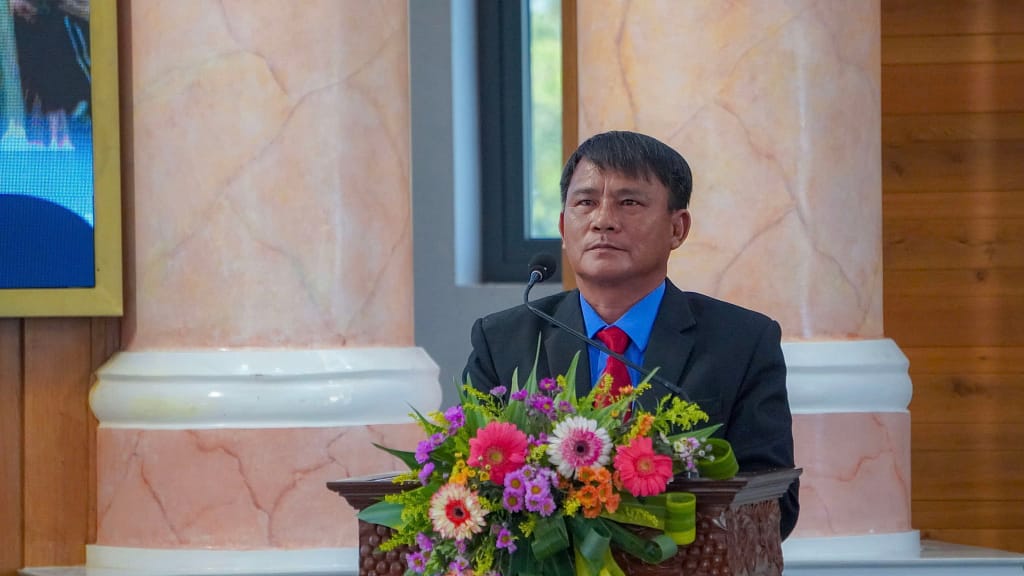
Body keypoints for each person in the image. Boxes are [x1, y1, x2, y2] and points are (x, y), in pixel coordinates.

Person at [463, 130, 799, 539]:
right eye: (585, 202)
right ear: (564, 227)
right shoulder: (502, 342)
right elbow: (471, 484)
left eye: (629, 203)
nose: (603, 220)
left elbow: (774, 501)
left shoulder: (742, 342)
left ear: (677, 228)